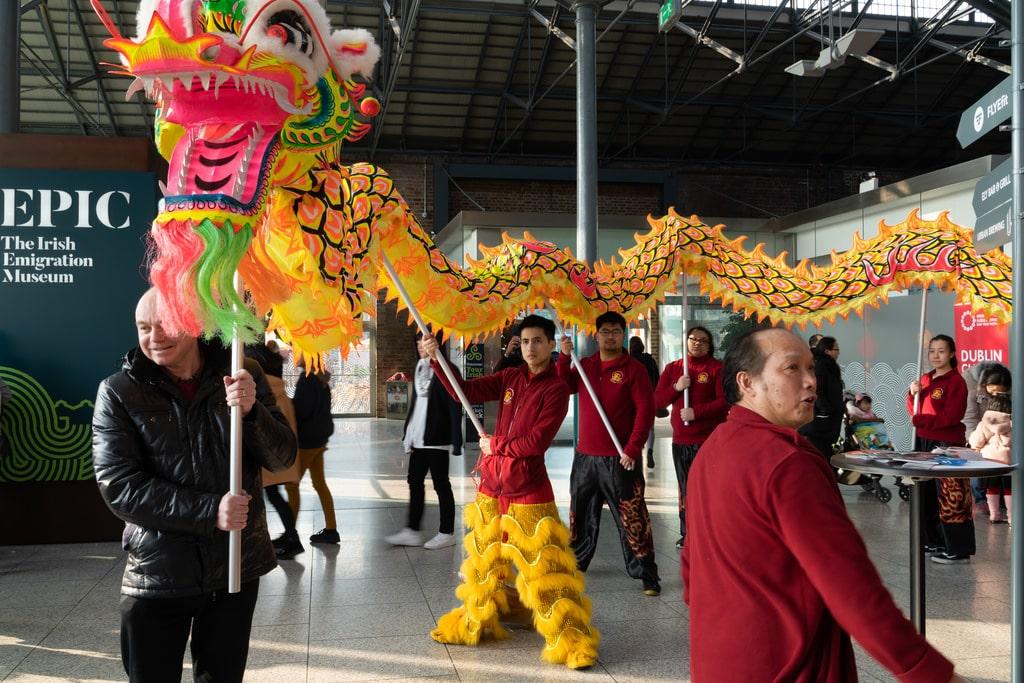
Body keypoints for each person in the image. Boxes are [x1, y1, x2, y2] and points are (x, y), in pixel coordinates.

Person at [682, 327, 962, 683]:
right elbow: (850, 586)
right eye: (791, 369)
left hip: (721, 661)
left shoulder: (712, 449)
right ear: (747, 383)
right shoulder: (788, 463)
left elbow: (692, 572)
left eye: (810, 368)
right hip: (789, 665)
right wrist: (926, 671)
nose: (811, 381)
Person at [92, 288, 296, 683]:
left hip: (235, 567)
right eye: (144, 327)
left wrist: (254, 413)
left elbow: (281, 457)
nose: (154, 337)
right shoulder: (119, 392)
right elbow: (119, 486)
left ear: (194, 323)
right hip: (158, 571)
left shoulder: (243, 372)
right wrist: (210, 510)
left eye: (164, 324)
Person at [425, 315, 599, 669]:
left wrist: (495, 444)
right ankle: (483, 618)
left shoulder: (556, 389)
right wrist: (437, 359)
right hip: (491, 486)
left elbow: (536, 442)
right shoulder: (510, 377)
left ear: (551, 345)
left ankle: (570, 639)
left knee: (546, 570)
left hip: (528, 491)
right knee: (485, 564)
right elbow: (467, 391)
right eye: (524, 342)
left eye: (537, 341)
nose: (530, 348)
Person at [558, 314, 659, 596]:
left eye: (616, 332)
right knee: (580, 517)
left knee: (632, 517)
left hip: (620, 459)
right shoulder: (585, 365)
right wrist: (565, 358)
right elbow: (563, 386)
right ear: (597, 334)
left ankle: (647, 574)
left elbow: (645, 411)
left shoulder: (633, 369)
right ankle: (574, 568)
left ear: (623, 335)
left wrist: (632, 449)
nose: (610, 337)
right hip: (585, 458)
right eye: (605, 332)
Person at [385, 332, 462, 549]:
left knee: (441, 484)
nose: (421, 346)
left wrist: (457, 439)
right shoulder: (420, 366)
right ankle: (412, 530)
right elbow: (417, 405)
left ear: (437, 344)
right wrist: (408, 433)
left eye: (425, 342)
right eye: (418, 342)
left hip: (436, 437)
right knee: (414, 481)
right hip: (419, 437)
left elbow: (455, 403)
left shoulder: (448, 369)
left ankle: (447, 532)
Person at [653, 325, 727, 549]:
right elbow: (656, 402)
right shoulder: (674, 368)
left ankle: (711, 532)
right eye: (693, 339)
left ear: (709, 345)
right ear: (686, 341)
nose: (697, 343)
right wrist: (677, 387)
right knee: (685, 489)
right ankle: (688, 533)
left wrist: (697, 412)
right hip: (681, 441)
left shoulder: (717, 368)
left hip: (708, 441)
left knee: (708, 488)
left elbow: (724, 403)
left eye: (703, 340)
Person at [907, 334, 973, 564]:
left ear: (952, 354)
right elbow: (914, 410)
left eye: (941, 351)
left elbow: (952, 416)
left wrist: (921, 421)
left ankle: (958, 548)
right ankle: (933, 540)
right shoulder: (925, 379)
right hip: (923, 441)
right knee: (925, 495)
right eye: (932, 351)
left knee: (951, 497)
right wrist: (912, 393)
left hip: (946, 444)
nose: (936, 355)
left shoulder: (956, 382)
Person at [246, 342, 303, 560]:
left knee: (270, 497)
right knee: (273, 496)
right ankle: (290, 536)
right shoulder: (279, 392)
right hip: (276, 459)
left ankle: (291, 537)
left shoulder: (264, 396)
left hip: (269, 459)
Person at [285, 360, 338, 544]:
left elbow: (302, 410)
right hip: (319, 439)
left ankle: (289, 536)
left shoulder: (307, 380)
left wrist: (287, 404)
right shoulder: (321, 380)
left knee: (292, 485)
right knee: (320, 484)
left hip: (306, 442)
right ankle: (331, 529)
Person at [963, 362, 1009, 514]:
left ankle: (998, 504)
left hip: (1003, 437)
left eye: (1000, 393)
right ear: (984, 384)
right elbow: (970, 418)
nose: (995, 396)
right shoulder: (971, 386)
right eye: (992, 391)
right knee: (978, 464)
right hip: (980, 432)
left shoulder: (1008, 385)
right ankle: (980, 499)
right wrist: (974, 441)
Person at [968, 388, 1012, 525]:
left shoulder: (984, 423)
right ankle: (1012, 517)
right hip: (1010, 462)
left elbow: (975, 441)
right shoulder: (1013, 423)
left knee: (991, 487)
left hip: (990, 462)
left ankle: (994, 515)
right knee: (1010, 489)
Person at [799, 336, 845, 461]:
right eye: (836, 349)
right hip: (821, 422)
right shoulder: (820, 366)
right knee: (820, 454)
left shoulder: (827, 366)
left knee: (825, 451)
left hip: (827, 420)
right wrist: (826, 410)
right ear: (827, 351)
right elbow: (817, 390)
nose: (838, 352)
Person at [628, 335, 661, 468]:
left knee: (635, 426)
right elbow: (657, 378)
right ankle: (650, 450)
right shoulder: (649, 359)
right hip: (649, 397)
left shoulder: (629, 361)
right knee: (650, 427)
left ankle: (637, 450)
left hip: (632, 399)